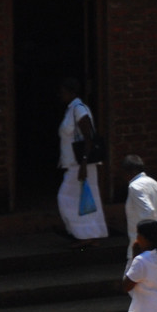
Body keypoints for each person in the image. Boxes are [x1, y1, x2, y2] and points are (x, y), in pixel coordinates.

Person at [56, 78, 108, 242]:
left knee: (65, 198)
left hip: (81, 165)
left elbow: (88, 138)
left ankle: (85, 234)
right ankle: (89, 235)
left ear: (71, 92)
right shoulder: (71, 110)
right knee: (84, 200)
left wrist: (84, 163)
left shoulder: (79, 109)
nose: (60, 95)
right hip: (76, 164)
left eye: (63, 92)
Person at [122, 155, 157, 262]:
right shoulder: (154, 183)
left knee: (131, 277)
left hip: (144, 249)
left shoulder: (135, 187)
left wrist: (144, 245)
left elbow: (148, 213)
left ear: (129, 172)